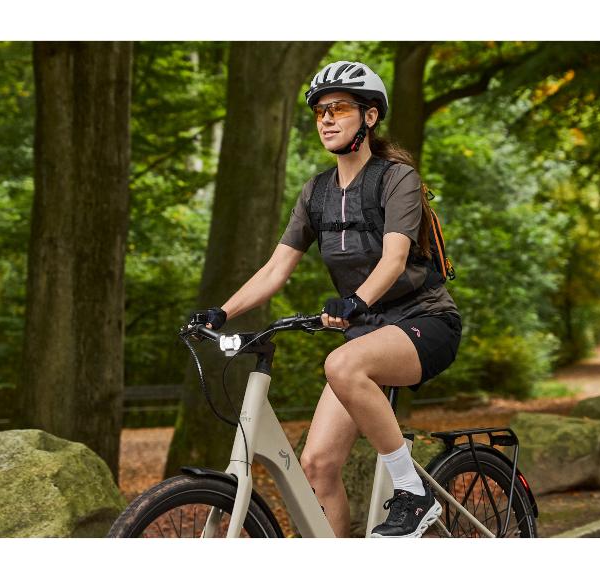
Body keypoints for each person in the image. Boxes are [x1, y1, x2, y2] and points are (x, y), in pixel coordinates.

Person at [196, 61, 462, 538]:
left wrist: (354, 301)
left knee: (342, 364)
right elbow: (276, 269)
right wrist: (221, 312)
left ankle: (413, 491)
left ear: (370, 117)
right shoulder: (315, 192)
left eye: (339, 108)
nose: (327, 119)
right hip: (367, 332)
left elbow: (394, 260)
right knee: (317, 466)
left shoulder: (396, 178)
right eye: (320, 111)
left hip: (426, 322)